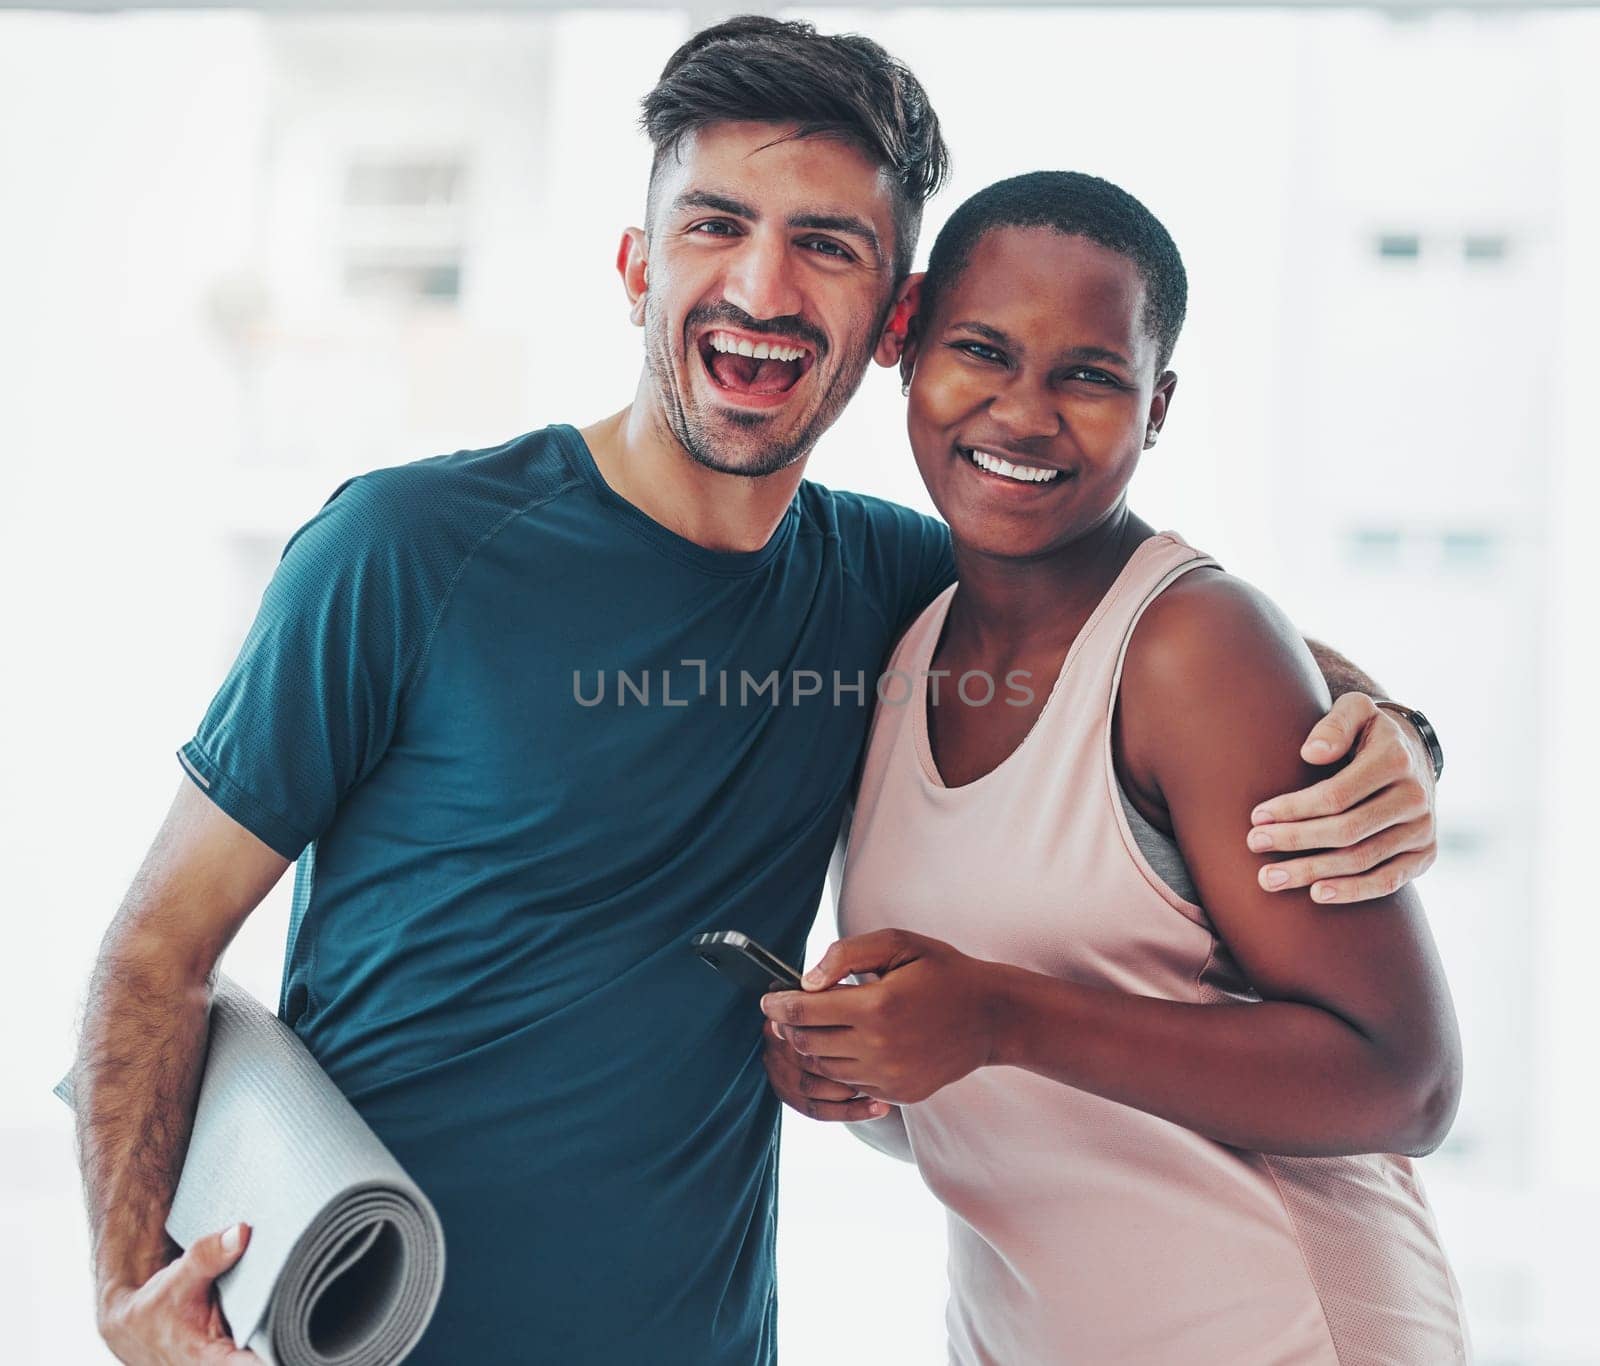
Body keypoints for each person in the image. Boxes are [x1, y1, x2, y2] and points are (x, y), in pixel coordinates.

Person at [72, 20, 1442, 1366]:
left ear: (893, 314)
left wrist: (1395, 729)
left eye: (828, 246)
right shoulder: (402, 551)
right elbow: (156, 951)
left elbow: (1159, 623)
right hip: (369, 1332)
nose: (765, 288)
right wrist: (131, 1290)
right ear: (635, 265)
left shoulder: (896, 585)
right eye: (716, 225)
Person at [761, 172, 1468, 1363]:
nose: (1023, 414)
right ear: (906, 341)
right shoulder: (902, 640)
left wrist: (995, 1014)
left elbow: (1403, 1080)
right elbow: (1041, 1102)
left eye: (1088, 374)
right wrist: (865, 1055)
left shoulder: (1196, 646)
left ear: (1158, 405)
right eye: (980, 350)